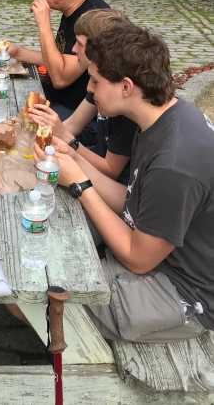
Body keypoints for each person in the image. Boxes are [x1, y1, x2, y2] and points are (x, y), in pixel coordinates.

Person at [36, 24, 214, 342]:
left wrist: (80, 185)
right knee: (50, 244)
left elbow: (138, 257)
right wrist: (74, 159)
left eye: (96, 81)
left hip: (181, 288)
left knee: (40, 288)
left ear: (127, 86)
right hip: (160, 258)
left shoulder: (174, 162)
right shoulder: (161, 119)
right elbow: (131, 201)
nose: (89, 91)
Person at [28, 9, 137, 183]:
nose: (73, 49)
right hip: (92, 159)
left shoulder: (118, 97)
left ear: (98, 49)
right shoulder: (98, 81)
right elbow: (72, 124)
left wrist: (68, 141)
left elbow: (111, 171)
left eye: (79, 43)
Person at [8, 0, 109, 118]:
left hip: (75, 112)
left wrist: (44, 25)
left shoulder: (93, 19)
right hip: (56, 98)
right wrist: (18, 52)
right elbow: (58, 58)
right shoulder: (72, 9)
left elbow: (60, 78)